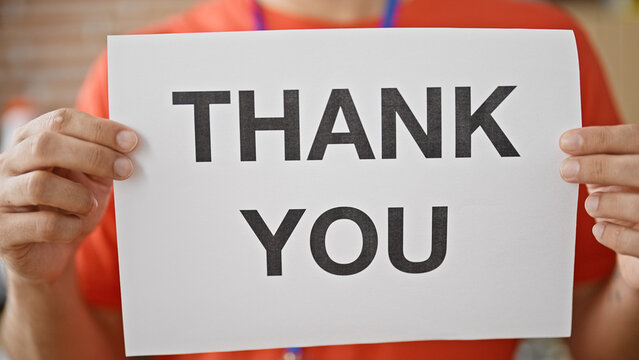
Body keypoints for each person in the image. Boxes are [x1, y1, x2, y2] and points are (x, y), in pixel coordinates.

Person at [1, 0, 638, 359]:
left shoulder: (538, 45)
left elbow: (588, 332)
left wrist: (636, 278)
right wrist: (35, 284)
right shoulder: (138, 83)